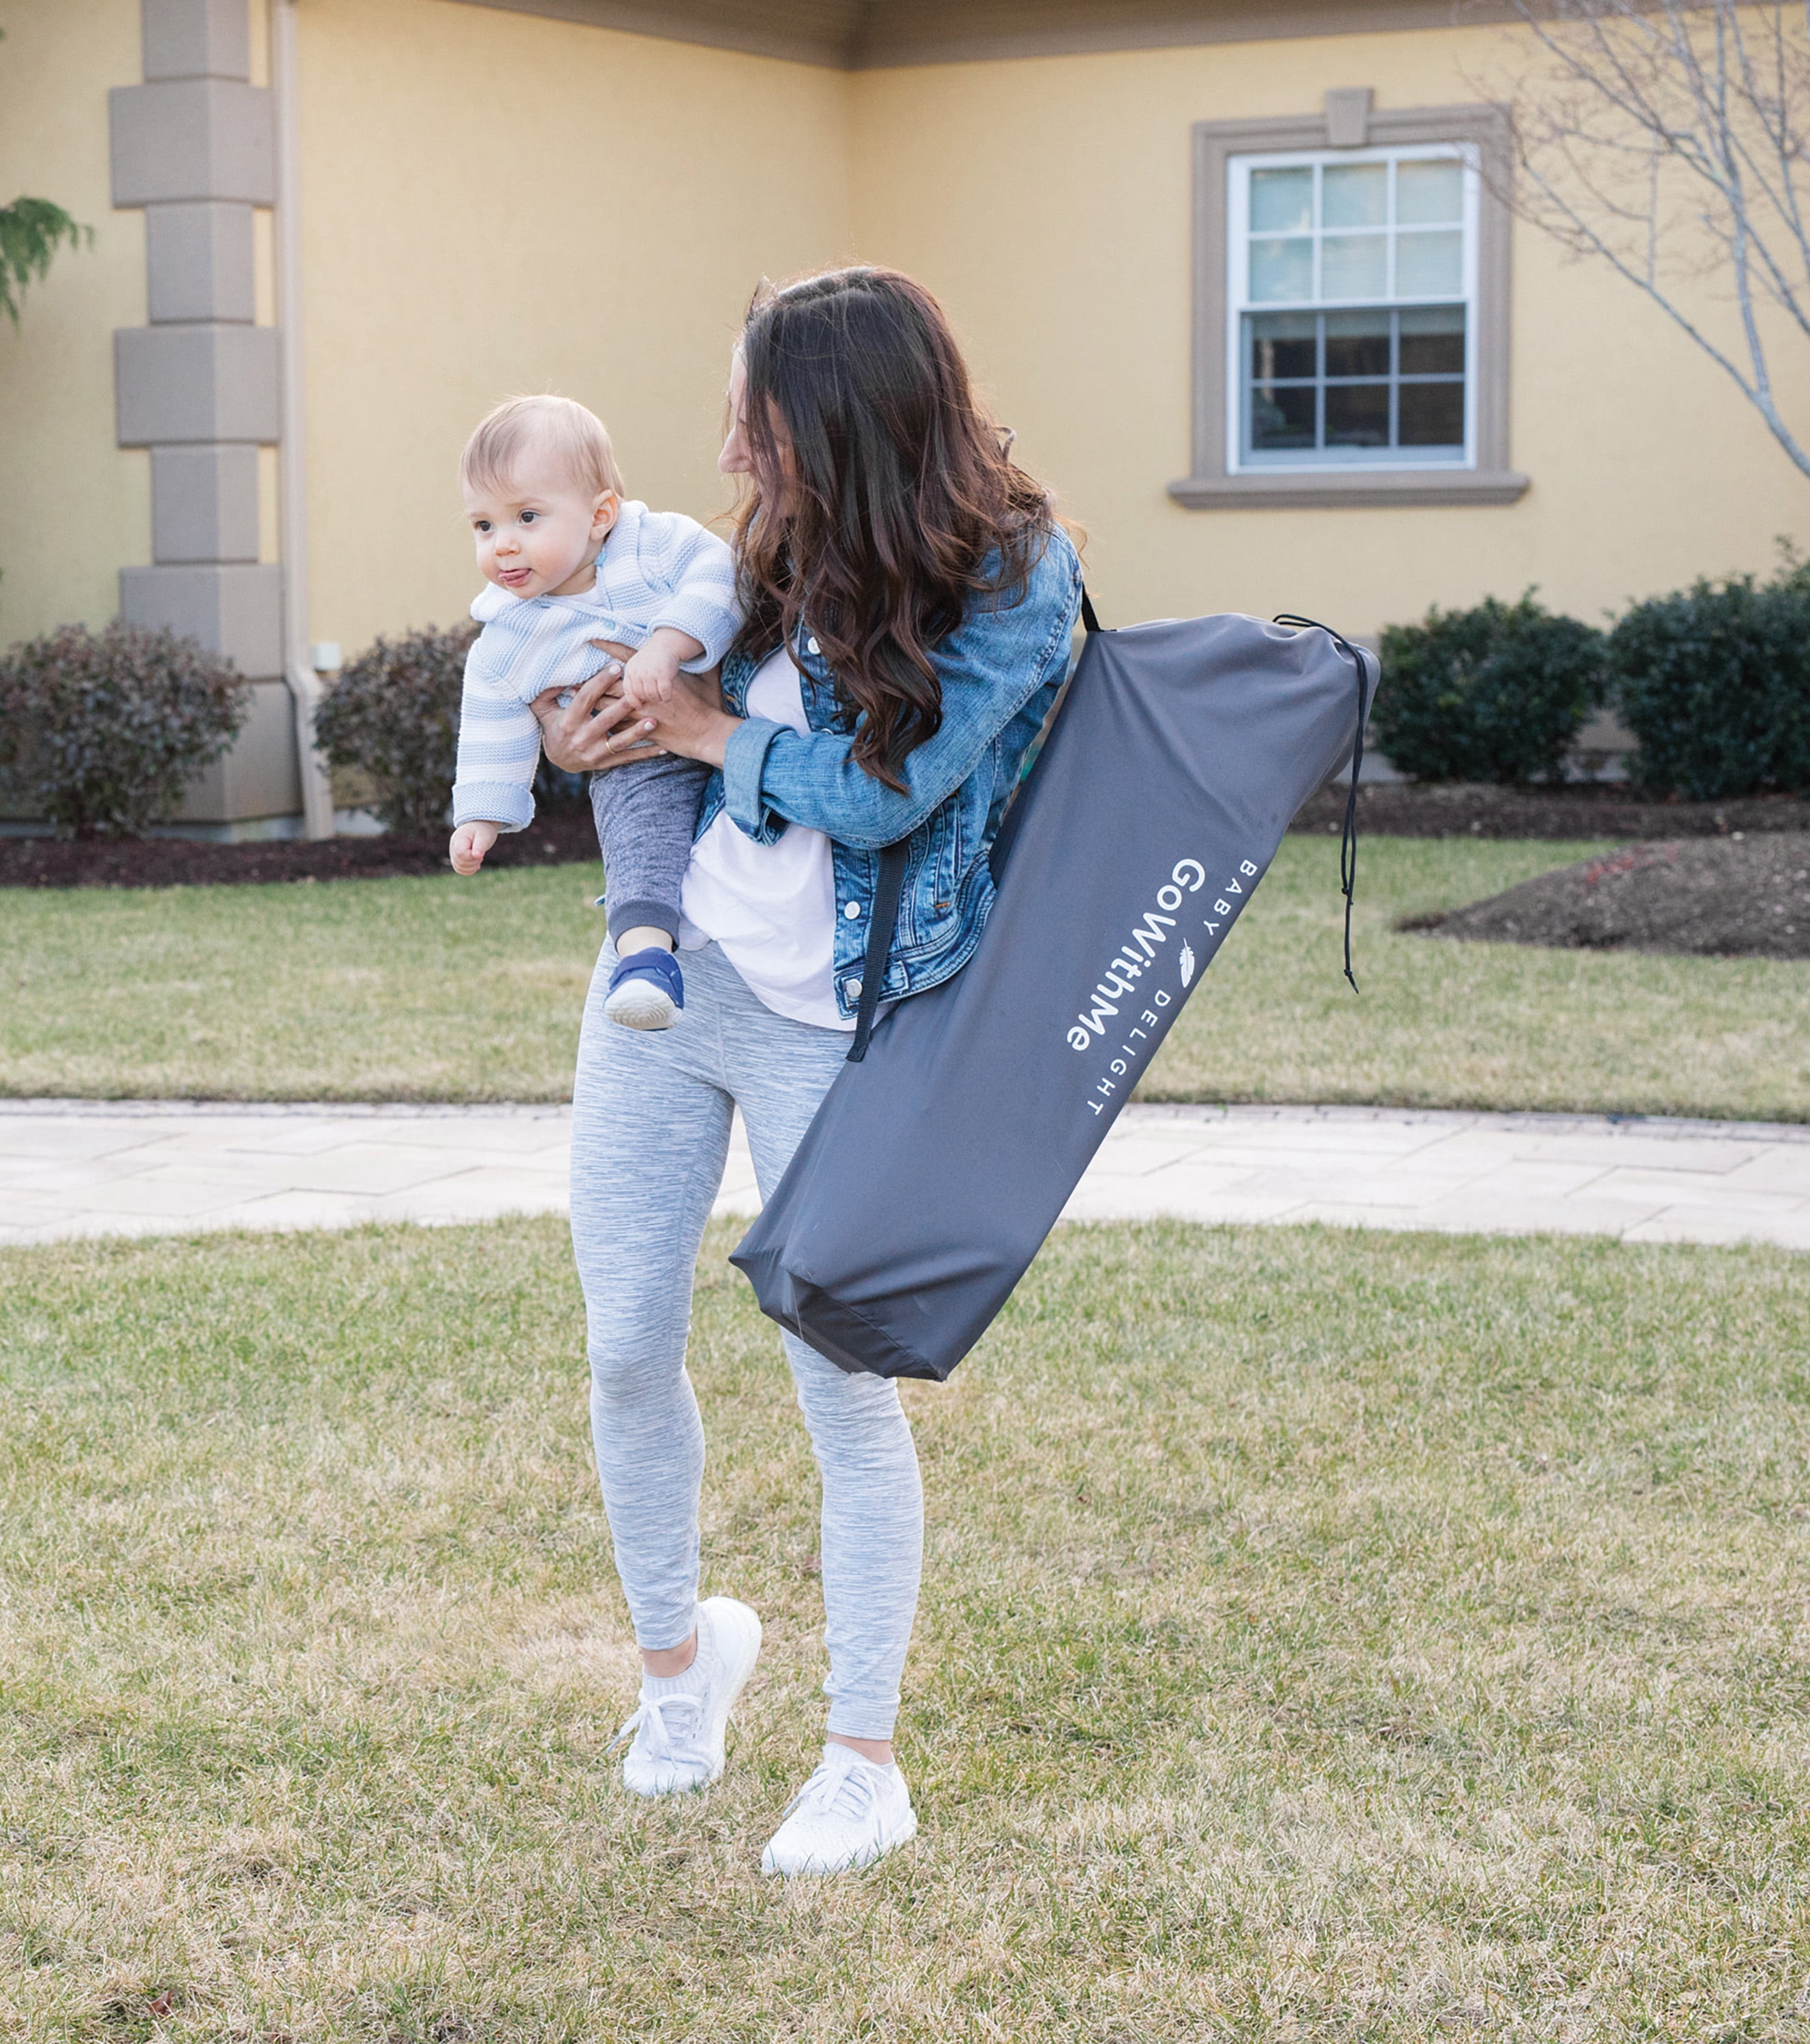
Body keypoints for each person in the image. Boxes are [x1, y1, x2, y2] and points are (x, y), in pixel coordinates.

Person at [541, 268, 1082, 1876]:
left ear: (839, 423)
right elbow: (658, 690)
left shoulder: (1008, 579)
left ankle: (862, 1761)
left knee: (838, 1384)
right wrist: (603, 726)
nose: (726, 441)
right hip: (672, 983)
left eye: (754, 415)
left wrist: (705, 733)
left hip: (837, 1020)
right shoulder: (760, 545)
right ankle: (676, 1674)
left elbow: (879, 795)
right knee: (626, 1343)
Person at [449, 394, 739, 1031]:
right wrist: (481, 812)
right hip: (640, 757)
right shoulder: (508, 634)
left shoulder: (655, 543)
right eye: (484, 526)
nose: (503, 546)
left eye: (527, 517)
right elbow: (492, 721)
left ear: (601, 514)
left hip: (735, 722)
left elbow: (720, 577)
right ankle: (644, 962)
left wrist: (669, 642)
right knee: (637, 834)